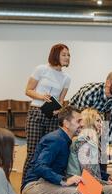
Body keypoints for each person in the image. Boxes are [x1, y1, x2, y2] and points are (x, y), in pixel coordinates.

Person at [21, 106, 85, 194]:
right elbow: (39, 166)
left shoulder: (65, 140)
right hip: (34, 187)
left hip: (46, 185)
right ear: (66, 123)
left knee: (85, 191)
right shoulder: (56, 139)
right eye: (78, 121)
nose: (82, 124)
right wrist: (64, 180)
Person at [22, 43, 72, 184]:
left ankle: (44, 186)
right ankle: (26, 186)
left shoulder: (66, 78)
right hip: (36, 112)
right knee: (33, 152)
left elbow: (61, 100)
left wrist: (59, 109)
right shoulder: (41, 69)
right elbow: (28, 90)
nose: (67, 57)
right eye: (64, 54)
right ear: (55, 55)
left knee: (50, 153)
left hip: (52, 116)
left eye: (68, 55)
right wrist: (41, 97)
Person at [69, 71, 112, 139]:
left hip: (95, 115)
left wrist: (106, 142)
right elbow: (82, 119)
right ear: (108, 83)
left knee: (102, 127)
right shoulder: (89, 93)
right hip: (73, 117)